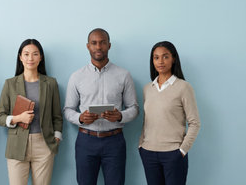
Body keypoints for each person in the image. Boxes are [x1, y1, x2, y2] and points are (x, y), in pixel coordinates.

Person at [64, 28, 139, 185]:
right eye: (94, 43)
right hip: (86, 141)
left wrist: (120, 116)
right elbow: (68, 110)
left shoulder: (123, 75)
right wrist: (80, 117)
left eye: (102, 43)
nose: (98, 47)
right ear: (88, 46)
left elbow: (134, 108)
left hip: (114, 141)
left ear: (109, 45)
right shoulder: (76, 76)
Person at [0, 39, 63, 185]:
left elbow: (57, 116)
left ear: (41, 57)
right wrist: (18, 118)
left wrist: (57, 137)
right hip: (17, 144)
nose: (30, 58)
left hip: (44, 144)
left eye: (35, 54)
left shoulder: (50, 83)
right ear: (20, 57)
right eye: (26, 54)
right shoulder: (10, 84)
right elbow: (0, 117)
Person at [138, 41, 200, 185]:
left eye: (165, 57)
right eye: (156, 57)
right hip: (148, 153)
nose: (160, 61)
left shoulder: (183, 87)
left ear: (173, 59)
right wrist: (141, 145)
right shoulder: (148, 88)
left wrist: (182, 150)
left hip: (173, 153)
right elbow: (147, 120)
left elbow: (194, 123)